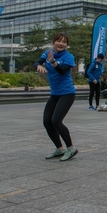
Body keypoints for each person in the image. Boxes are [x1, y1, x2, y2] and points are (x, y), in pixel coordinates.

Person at [35, 32, 78, 162]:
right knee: (47, 121)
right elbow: (38, 61)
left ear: (66, 45)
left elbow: (62, 70)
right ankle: (60, 149)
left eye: (64, 42)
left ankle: (71, 148)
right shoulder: (48, 53)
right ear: (54, 42)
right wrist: (38, 65)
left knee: (56, 121)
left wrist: (53, 62)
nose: (61, 44)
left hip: (67, 93)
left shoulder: (68, 57)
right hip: (55, 94)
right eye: (59, 41)